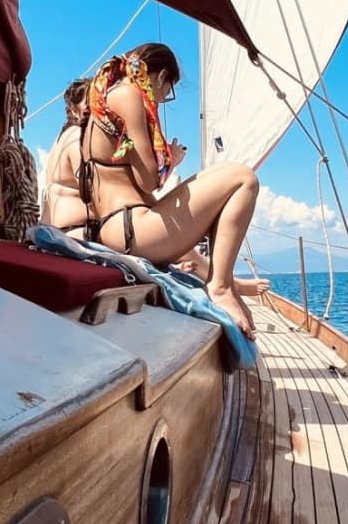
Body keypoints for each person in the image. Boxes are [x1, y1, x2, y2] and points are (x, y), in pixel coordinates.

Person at [77, 43, 262, 337]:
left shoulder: (107, 96)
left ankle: (226, 283)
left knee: (225, 185)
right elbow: (148, 181)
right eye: (167, 91)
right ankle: (222, 285)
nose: (162, 100)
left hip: (122, 227)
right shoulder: (129, 95)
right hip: (131, 229)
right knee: (243, 178)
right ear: (160, 76)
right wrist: (171, 162)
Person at [41, 77, 89, 230]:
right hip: (73, 232)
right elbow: (89, 189)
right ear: (75, 111)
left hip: (55, 230)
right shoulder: (76, 137)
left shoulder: (62, 137)